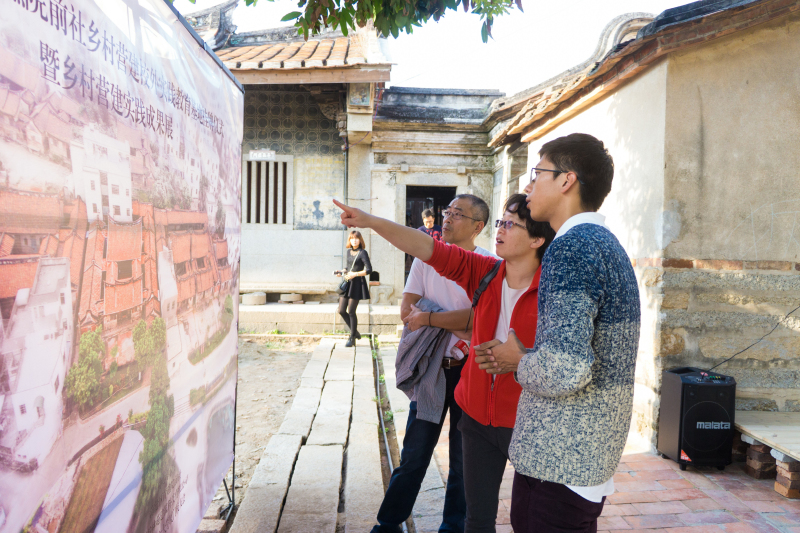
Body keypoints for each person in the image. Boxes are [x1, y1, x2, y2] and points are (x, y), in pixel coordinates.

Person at [334, 193, 555, 533]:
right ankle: (392, 523)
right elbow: (426, 250)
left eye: (511, 224)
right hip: (473, 404)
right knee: (470, 510)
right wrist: (371, 221)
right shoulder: (484, 272)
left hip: (519, 415)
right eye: (501, 222)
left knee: (526, 510)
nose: (501, 230)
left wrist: (519, 359)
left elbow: (562, 362)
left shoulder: (554, 291)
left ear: (537, 239)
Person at [476, 133, 641, 532]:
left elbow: (567, 368)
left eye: (537, 173)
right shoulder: (604, 243)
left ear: (567, 180)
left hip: (560, 459)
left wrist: (517, 360)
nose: (528, 186)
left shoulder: (571, 248)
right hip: (584, 456)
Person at [371, 194, 493, 533]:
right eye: (447, 212)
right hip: (432, 370)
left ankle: (452, 527)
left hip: (471, 372)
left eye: (458, 214)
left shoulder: (488, 265)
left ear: (477, 226)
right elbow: (407, 312)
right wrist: (447, 320)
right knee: (414, 452)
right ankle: (388, 523)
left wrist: (429, 316)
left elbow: (479, 321)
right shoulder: (426, 260)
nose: (448, 218)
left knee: (463, 459)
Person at [336, 230, 373, 348]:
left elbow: (369, 270)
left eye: (356, 238)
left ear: (360, 240)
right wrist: (342, 271)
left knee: (351, 311)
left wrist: (355, 274)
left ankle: (352, 338)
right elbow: (349, 267)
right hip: (348, 282)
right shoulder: (348, 252)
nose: (354, 240)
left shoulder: (363, 252)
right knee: (341, 310)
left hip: (357, 284)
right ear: (349, 240)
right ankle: (355, 332)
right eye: (352, 238)